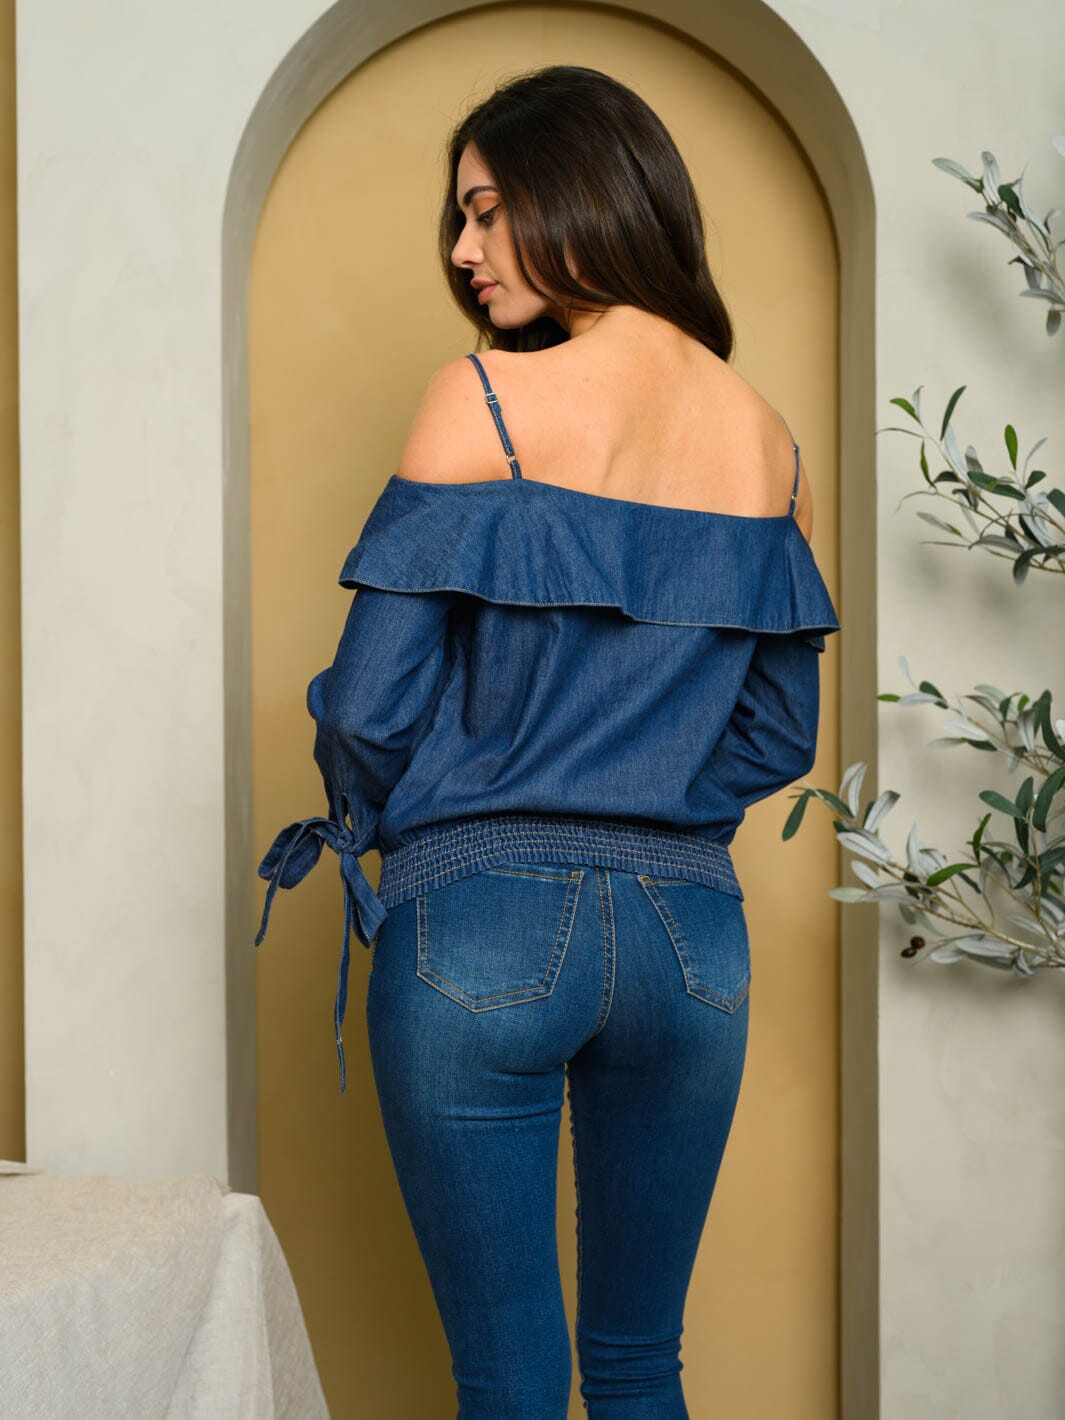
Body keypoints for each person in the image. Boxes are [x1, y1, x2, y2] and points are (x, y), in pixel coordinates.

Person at [255, 64, 840, 1419]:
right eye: (459, 219)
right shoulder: (771, 444)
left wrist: (401, 821)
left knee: (511, 1385)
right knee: (640, 1366)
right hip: (693, 946)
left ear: (580, 191)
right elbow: (776, 734)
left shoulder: (484, 398)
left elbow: (365, 709)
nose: (464, 251)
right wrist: (647, 794)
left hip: (480, 922)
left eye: (487, 209)